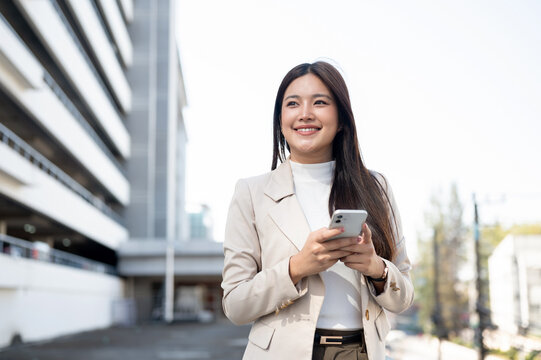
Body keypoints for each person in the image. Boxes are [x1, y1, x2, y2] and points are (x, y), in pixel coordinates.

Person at [221, 61, 414, 360]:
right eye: (293, 103)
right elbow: (235, 304)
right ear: (280, 119)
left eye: (320, 102)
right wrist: (297, 267)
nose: (305, 113)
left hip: (362, 352)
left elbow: (404, 296)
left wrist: (375, 268)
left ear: (342, 119)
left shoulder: (376, 186)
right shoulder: (251, 192)